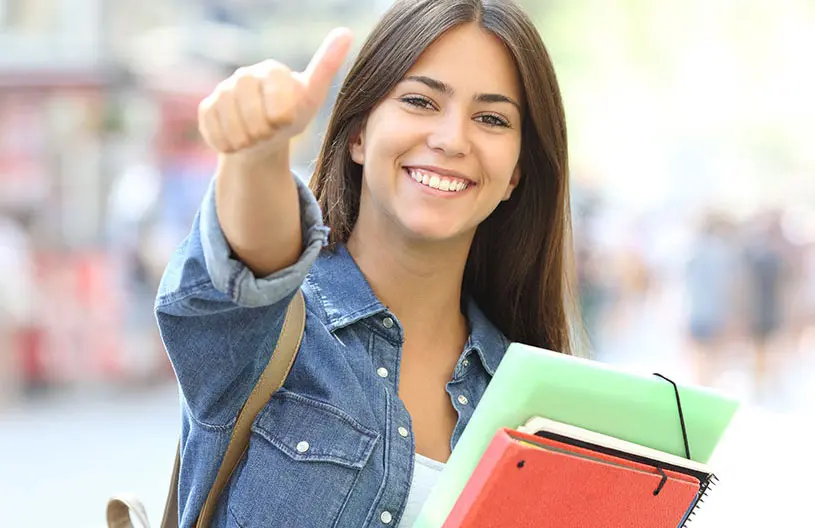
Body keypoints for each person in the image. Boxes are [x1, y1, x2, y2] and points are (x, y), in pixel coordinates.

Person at [155, 1, 581, 526]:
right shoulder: (269, 332)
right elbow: (252, 263)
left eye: (491, 118)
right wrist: (258, 153)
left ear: (516, 173)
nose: (451, 139)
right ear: (358, 135)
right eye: (421, 101)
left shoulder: (533, 398)